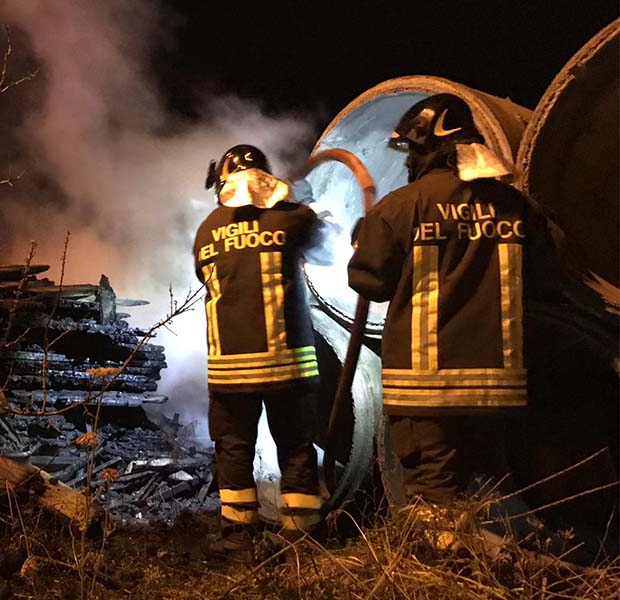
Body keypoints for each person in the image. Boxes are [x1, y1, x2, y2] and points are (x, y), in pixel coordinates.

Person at [347, 94, 561, 509]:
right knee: (490, 493)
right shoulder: (516, 207)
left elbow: (370, 281)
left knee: (433, 492)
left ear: (426, 147)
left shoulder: (401, 207)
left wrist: (365, 238)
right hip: (498, 386)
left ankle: (437, 551)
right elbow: (547, 273)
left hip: (427, 385)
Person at [194, 144, 330, 559]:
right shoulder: (293, 220)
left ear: (223, 184)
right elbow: (325, 248)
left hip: (230, 369)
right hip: (288, 366)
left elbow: (205, 276)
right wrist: (299, 200)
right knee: (296, 447)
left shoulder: (207, 230)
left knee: (233, 449)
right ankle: (302, 540)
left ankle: (238, 538)